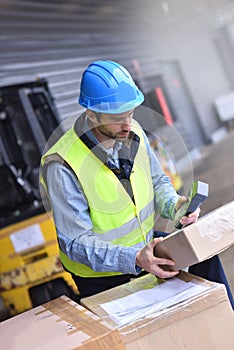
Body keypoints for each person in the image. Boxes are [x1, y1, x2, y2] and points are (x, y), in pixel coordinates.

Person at [40, 60, 231, 306]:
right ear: (91, 115)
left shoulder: (133, 131)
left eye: (131, 114)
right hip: (103, 276)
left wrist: (174, 205)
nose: (128, 124)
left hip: (145, 248)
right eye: (118, 117)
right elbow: (75, 244)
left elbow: (157, 179)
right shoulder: (62, 165)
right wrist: (136, 258)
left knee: (205, 256)